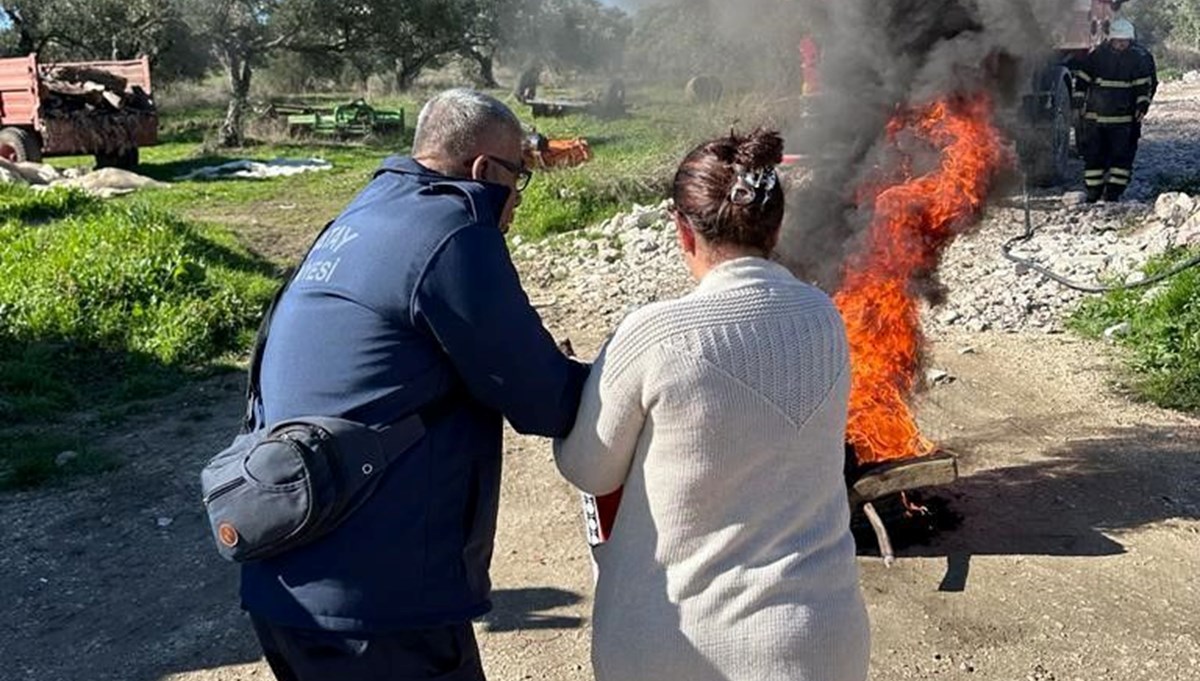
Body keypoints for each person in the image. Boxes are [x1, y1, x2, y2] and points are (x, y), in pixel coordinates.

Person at [241, 88, 589, 681]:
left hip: (282, 582)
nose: (515, 203)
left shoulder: (359, 214)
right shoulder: (454, 229)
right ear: (485, 171)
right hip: (376, 608)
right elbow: (544, 400)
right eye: (518, 179)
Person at [554, 129, 870, 681]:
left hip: (684, 648)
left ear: (682, 230)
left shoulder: (655, 334)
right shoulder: (824, 317)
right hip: (822, 642)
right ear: (776, 228)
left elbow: (589, 468)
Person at [1071, 17, 1158, 202]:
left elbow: (1144, 85)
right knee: (1094, 157)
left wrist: (1142, 106)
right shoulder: (1096, 56)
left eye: (1125, 41)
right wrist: (1078, 104)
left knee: (1121, 158)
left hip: (1123, 120)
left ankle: (1113, 194)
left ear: (1130, 40)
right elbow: (1082, 81)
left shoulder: (1138, 59)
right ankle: (1093, 193)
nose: (1121, 44)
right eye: (1119, 41)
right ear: (1111, 39)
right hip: (1096, 119)